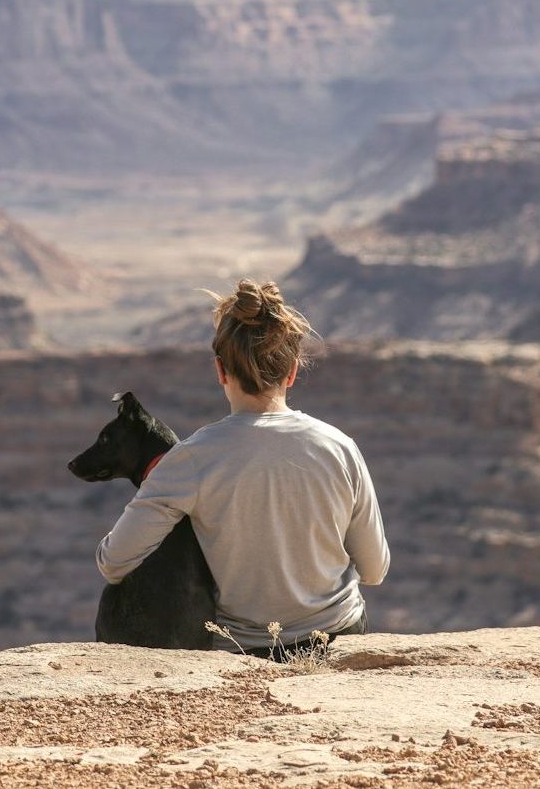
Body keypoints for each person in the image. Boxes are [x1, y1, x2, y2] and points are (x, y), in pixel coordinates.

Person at [95, 278, 389, 658]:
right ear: (293, 371)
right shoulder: (339, 447)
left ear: (220, 370)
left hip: (245, 650)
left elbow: (113, 563)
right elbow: (375, 570)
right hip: (337, 638)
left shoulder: (190, 459)